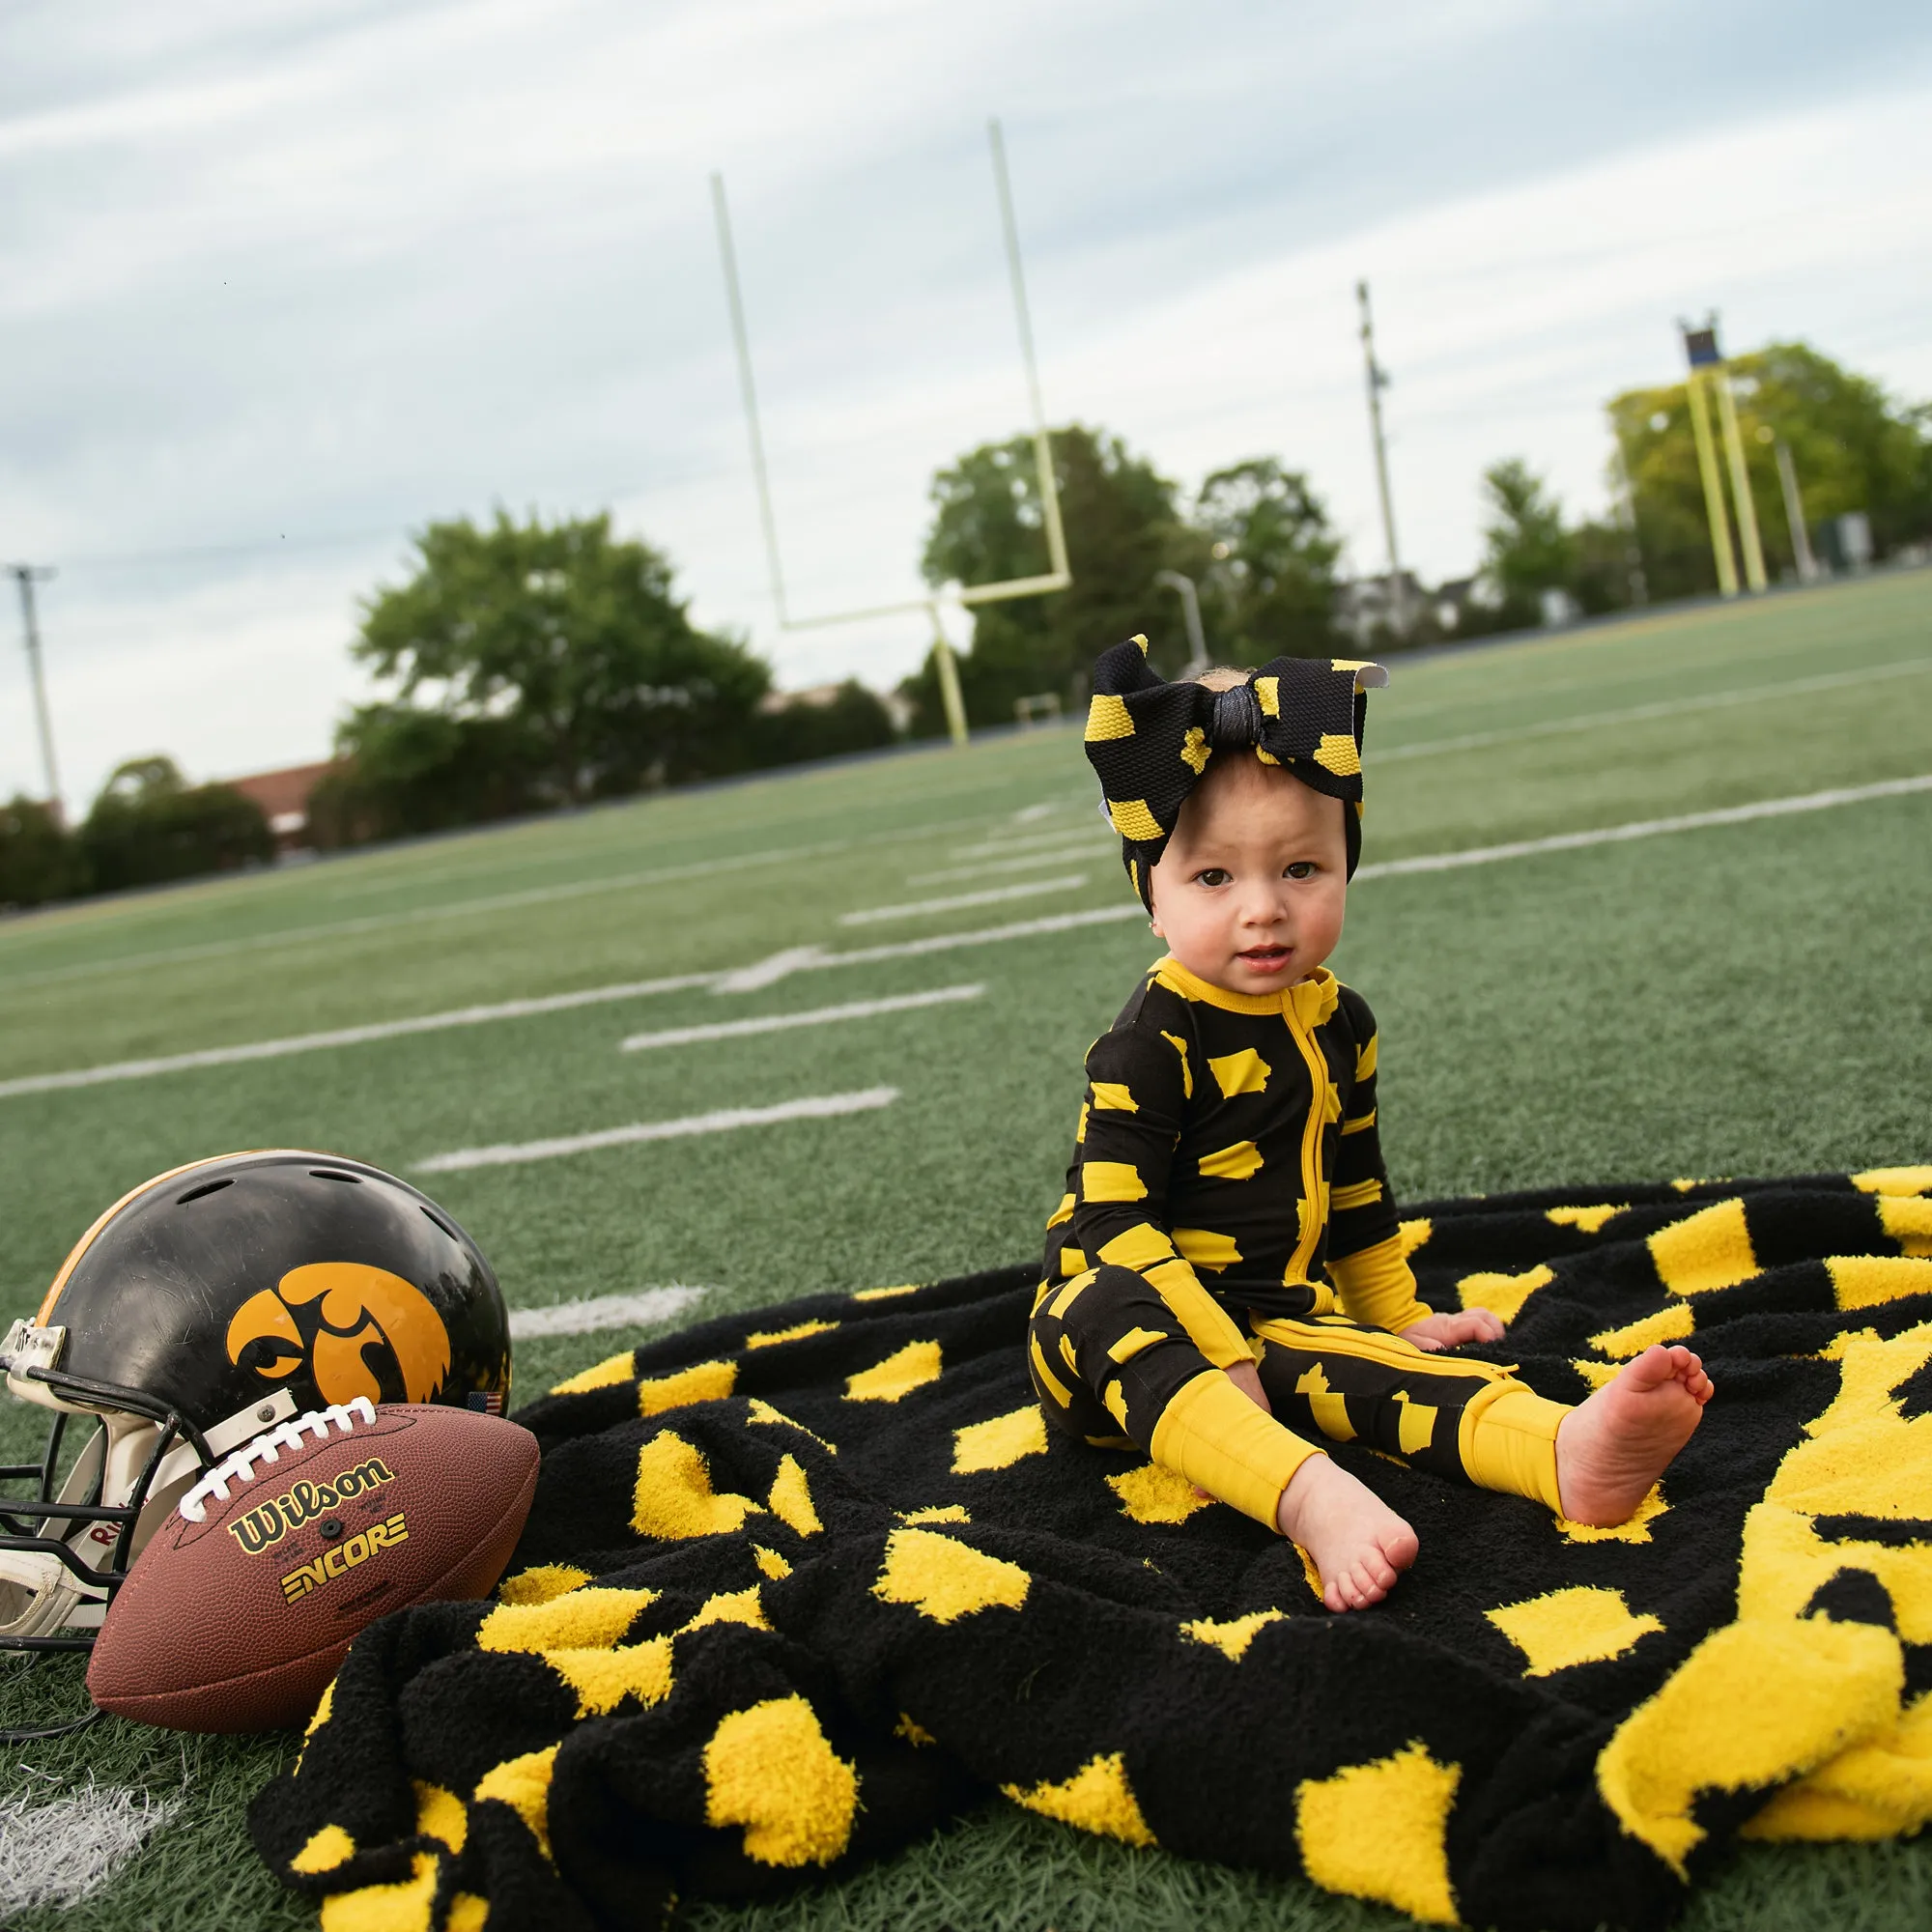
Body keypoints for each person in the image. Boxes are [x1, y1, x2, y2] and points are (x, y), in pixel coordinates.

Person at [1032, 638, 1712, 1612]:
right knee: (1104, 1308)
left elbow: (1354, 1188)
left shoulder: (1338, 1020)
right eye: (1212, 878)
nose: (1263, 910)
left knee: (1372, 1367)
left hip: (1271, 1308)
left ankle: (1563, 1452)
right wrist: (1218, 1355)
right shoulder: (1151, 1037)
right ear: (1150, 893)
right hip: (1113, 1326)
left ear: (1347, 861)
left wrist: (1397, 1315)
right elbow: (1110, 1224)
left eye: (1300, 866)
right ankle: (1310, 1497)